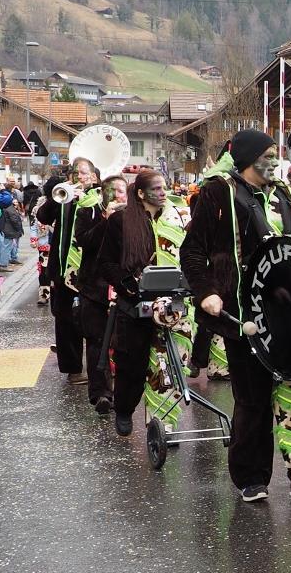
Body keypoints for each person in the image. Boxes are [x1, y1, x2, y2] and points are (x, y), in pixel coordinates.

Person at [180, 129, 291, 502]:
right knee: (253, 399)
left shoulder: (285, 194)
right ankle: (251, 479)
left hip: (288, 313)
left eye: (277, 153)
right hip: (243, 313)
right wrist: (207, 292)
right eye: (269, 154)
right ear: (248, 159)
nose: (276, 159)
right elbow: (192, 251)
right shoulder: (218, 192)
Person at [97, 171, 191, 438]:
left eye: (164, 188)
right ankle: (125, 409)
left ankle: (162, 425)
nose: (163, 193)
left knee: (168, 367)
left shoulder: (177, 218)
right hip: (134, 304)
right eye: (157, 189)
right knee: (132, 366)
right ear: (140, 193)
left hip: (173, 304)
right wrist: (129, 284)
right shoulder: (120, 221)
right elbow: (106, 263)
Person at [37, 158, 101, 385]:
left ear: (93, 177)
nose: (79, 178)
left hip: (91, 273)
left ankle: (99, 371)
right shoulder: (63, 196)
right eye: (75, 173)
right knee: (64, 320)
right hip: (63, 269)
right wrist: (58, 197)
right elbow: (43, 217)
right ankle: (73, 368)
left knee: (93, 321)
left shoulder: (99, 198)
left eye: (84, 173)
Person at [75, 175, 127, 416]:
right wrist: (106, 218)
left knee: (123, 343)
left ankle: (124, 393)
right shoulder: (89, 211)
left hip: (124, 287)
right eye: (112, 191)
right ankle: (101, 394)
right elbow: (84, 241)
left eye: (122, 191)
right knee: (97, 341)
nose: (118, 195)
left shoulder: (134, 215)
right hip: (93, 286)